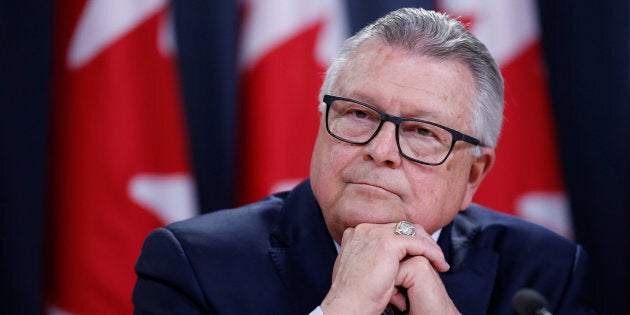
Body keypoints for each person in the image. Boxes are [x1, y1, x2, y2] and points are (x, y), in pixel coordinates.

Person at [132, 7, 592, 314]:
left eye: (422, 132)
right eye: (358, 114)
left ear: (473, 173)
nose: (382, 149)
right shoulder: (194, 265)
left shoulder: (545, 274)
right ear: (321, 121)